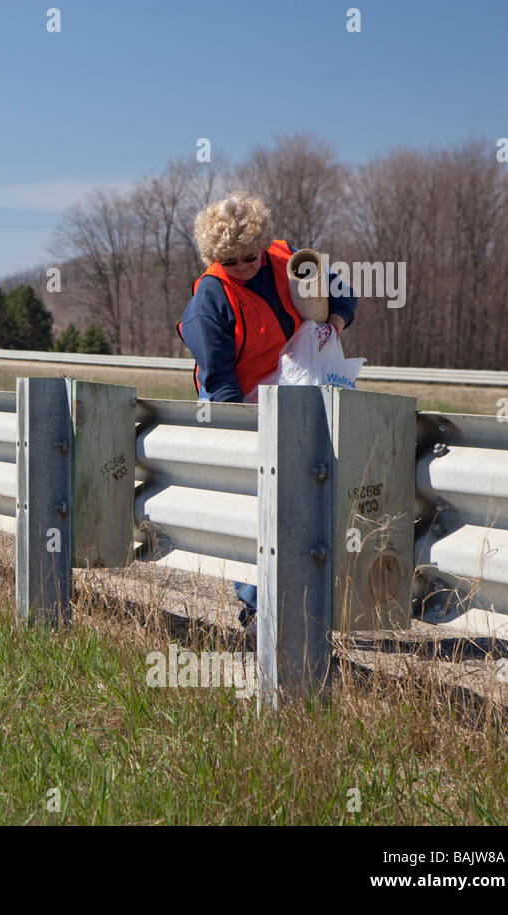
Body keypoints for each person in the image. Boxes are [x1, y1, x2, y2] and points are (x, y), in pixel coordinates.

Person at [176, 192, 357, 636]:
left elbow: (341, 290)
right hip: (238, 397)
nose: (243, 267)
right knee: (256, 504)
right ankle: (259, 611)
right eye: (231, 261)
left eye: (250, 257)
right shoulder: (210, 302)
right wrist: (245, 436)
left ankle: (310, 598)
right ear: (215, 258)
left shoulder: (285, 259)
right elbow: (219, 384)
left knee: (310, 488)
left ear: (263, 243)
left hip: (294, 383)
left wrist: (331, 325)